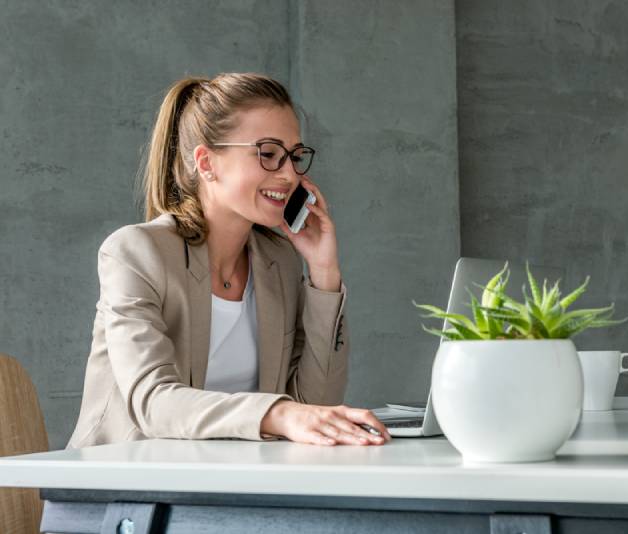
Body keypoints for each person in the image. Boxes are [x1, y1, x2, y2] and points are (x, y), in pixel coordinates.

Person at [67, 72, 389, 448]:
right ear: (206, 163)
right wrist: (278, 414)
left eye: (295, 156)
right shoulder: (135, 253)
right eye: (268, 154)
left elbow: (315, 406)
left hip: (233, 484)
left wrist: (323, 273)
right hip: (122, 490)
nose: (289, 174)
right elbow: (153, 402)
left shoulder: (278, 261)